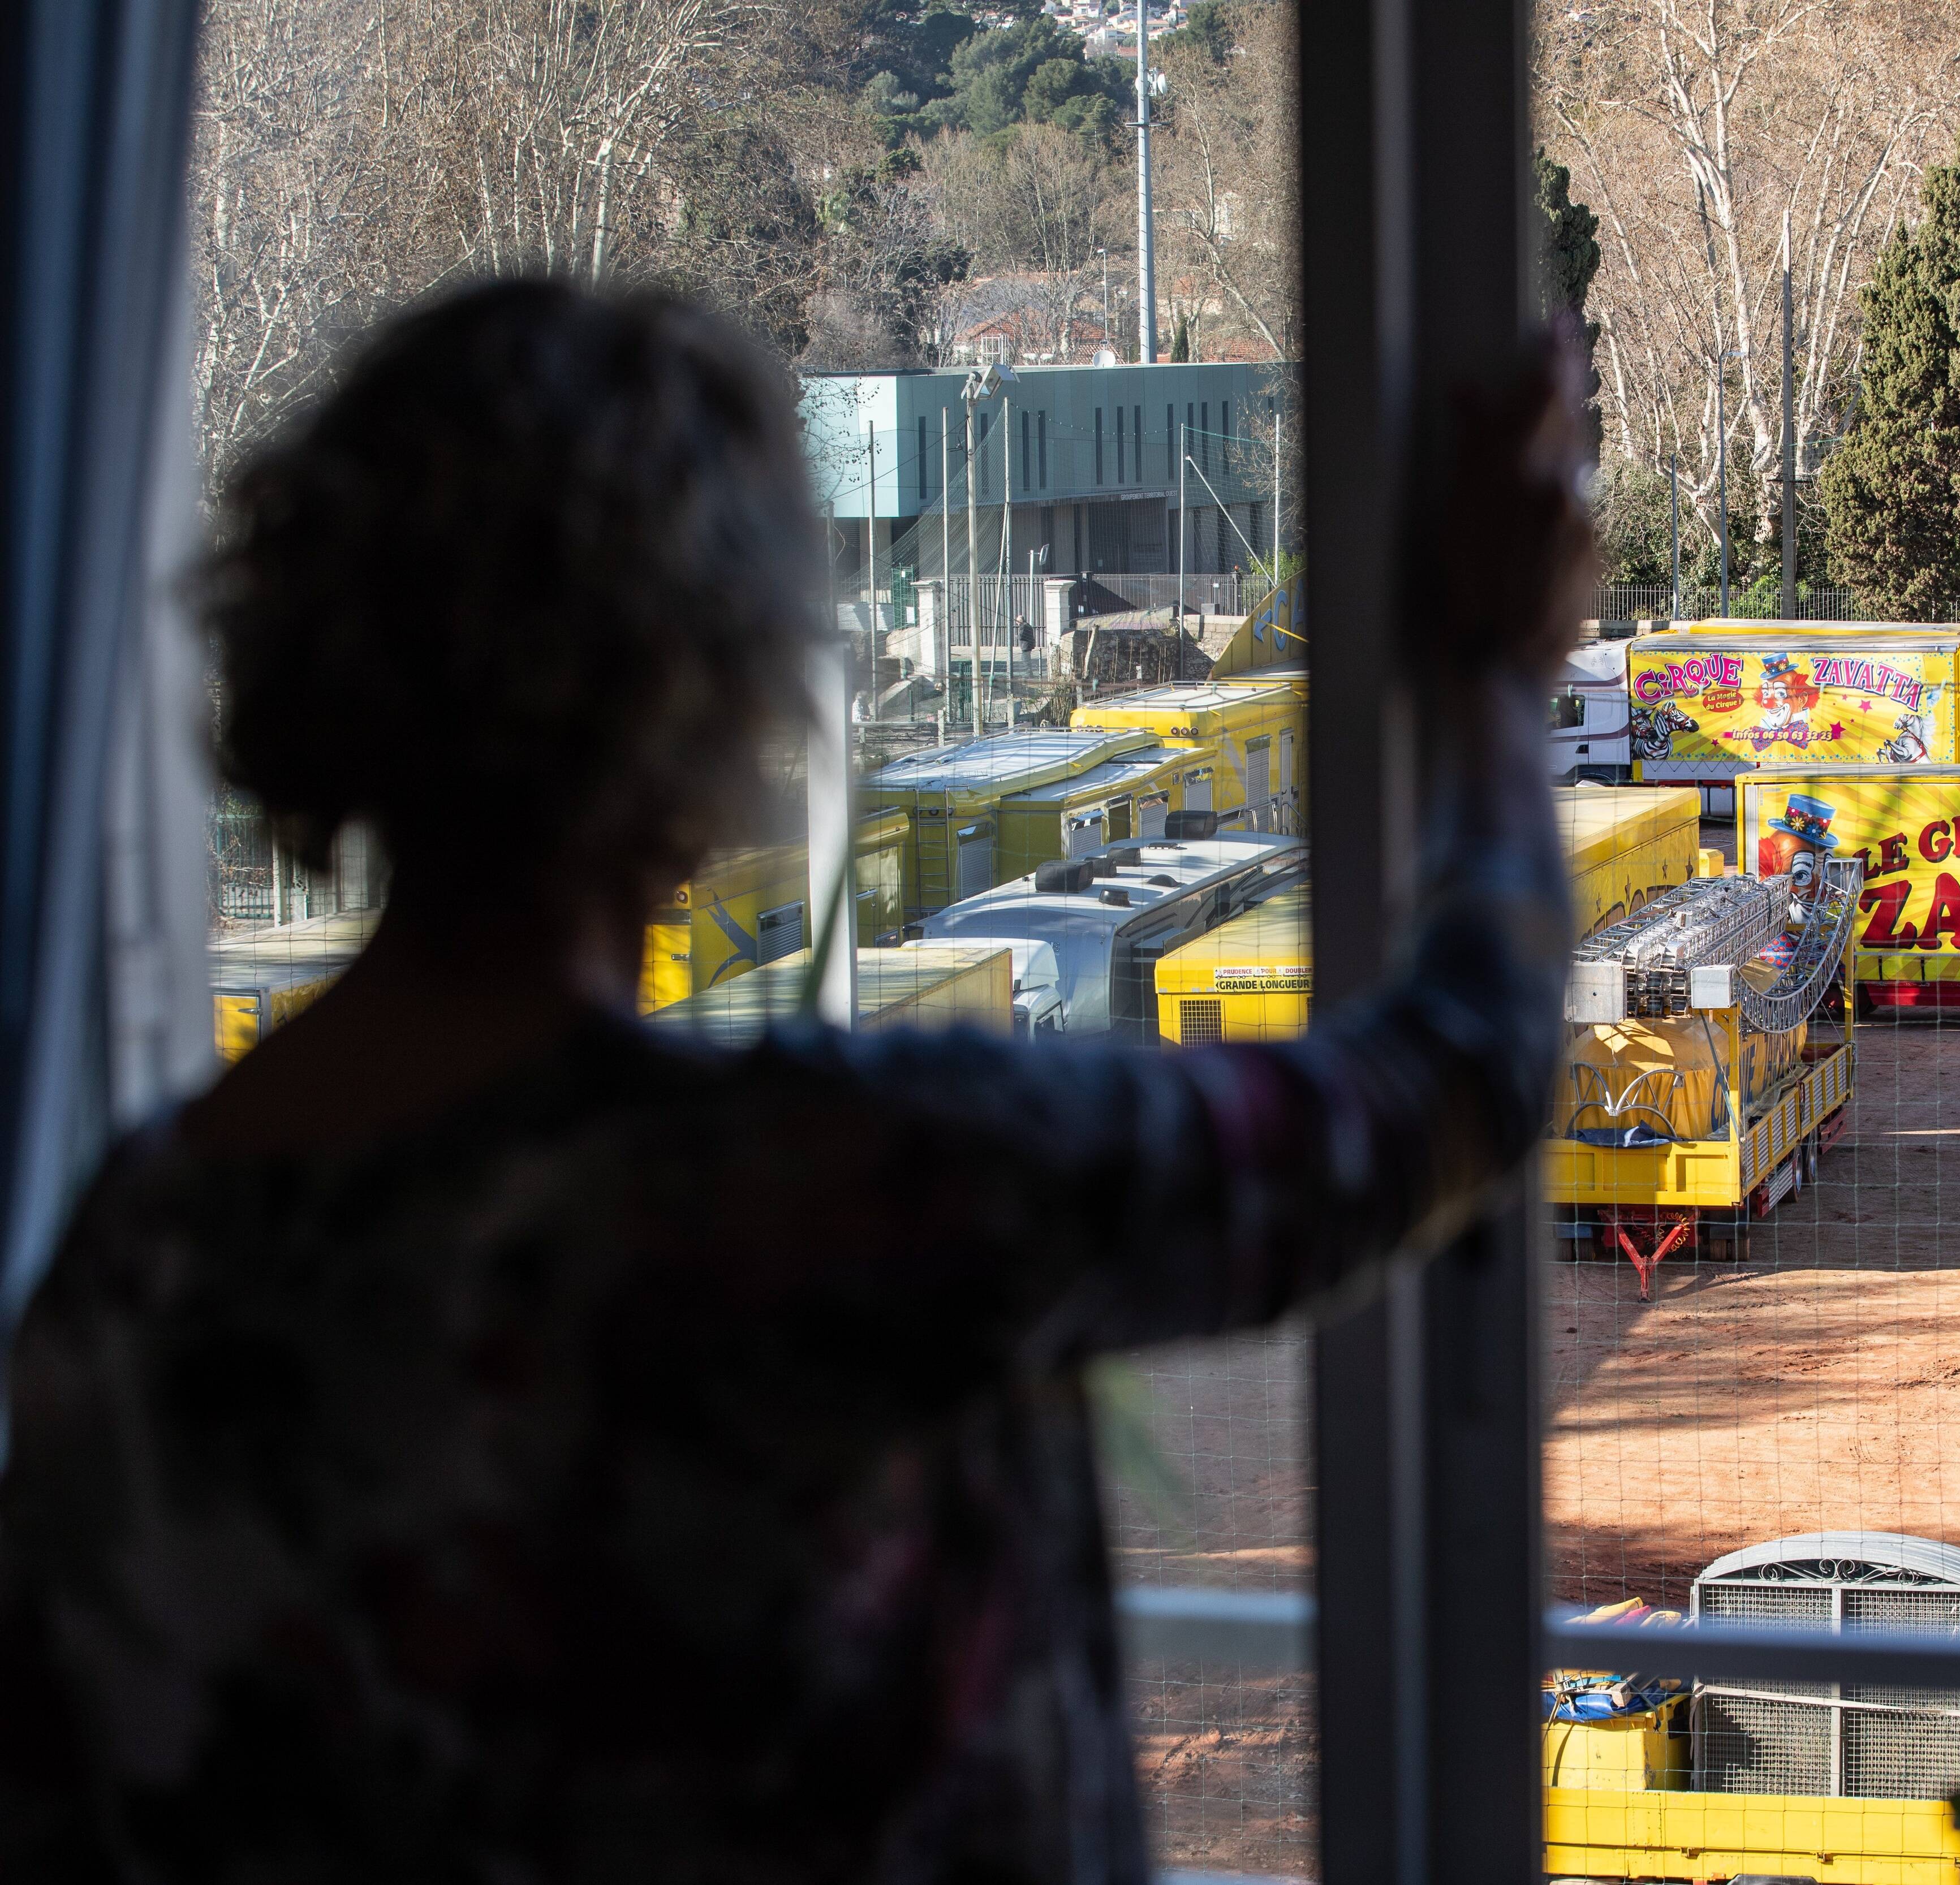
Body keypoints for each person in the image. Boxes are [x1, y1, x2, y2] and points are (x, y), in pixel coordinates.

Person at [0, 282, 1587, 1881]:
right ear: (707, 690)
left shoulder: (128, 1265)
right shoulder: (834, 1186)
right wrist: (1493, 688)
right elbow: (1448, 1084)